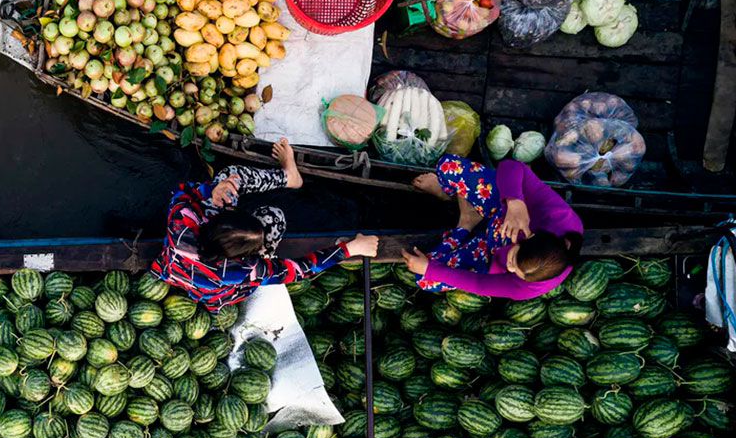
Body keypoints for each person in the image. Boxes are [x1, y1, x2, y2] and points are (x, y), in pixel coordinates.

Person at [152, 137, 379, 310]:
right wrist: (350, 249)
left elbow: (180, 192)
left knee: (230, 178)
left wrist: (212, 191)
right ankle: (286, 184)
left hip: (177, 272)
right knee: (274, 218)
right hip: (218, 292)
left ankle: (289, 177)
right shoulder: (246, 270)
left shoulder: (181, 223)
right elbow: (300, 269)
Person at [401, 154, 584, 299]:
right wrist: (514, 201)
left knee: (424, 279)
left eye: (515, 272)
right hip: (503, 210)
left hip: (489, 253)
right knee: (448, 165)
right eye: (513, 260)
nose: (510, 268)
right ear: (530, 236)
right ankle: (447, 195)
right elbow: (511, 166)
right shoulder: (558, 216)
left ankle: (465, 224)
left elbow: (479, 284)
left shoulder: (529, 287)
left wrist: (429, 270)